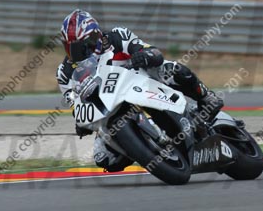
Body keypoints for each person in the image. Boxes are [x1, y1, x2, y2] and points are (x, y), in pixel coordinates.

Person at [56, 9, 224, 172]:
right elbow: (74, 104)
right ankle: (143, 147)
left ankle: (206, 97)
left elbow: (151, 51)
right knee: (105, 159)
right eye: (70, 48)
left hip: (143, 82)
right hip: (107, 107)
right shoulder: (64, 73)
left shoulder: (116, 36)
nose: (76, 53)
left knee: (171, 69)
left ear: (94, 37)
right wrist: (80, 122)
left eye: (80, 46)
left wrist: (145, 55)